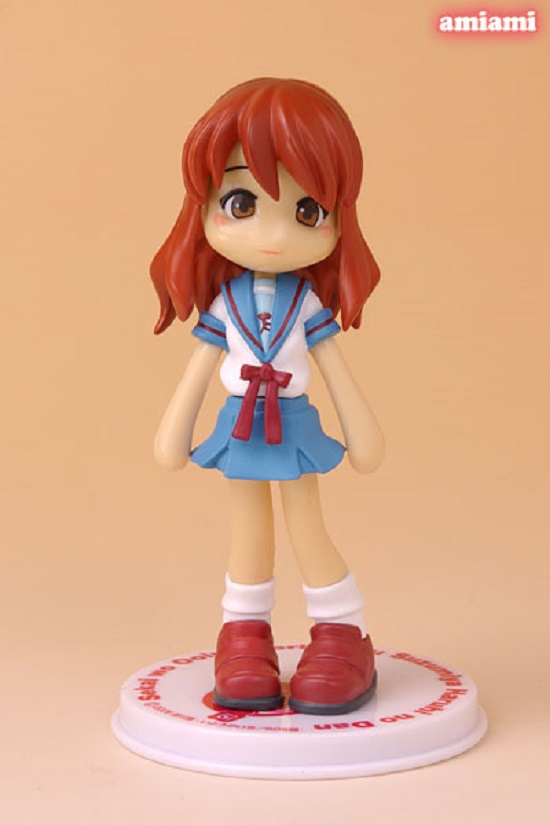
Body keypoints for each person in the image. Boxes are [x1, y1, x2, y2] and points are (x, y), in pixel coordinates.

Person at [151, 78, 384, 715]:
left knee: (307, 525)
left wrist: (361, 433)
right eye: (242, 202)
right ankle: (243, 634)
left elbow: (332, 365)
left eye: (307, 210)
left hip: (293, 423)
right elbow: (200, 368)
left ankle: (342, 632)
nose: (274, 235)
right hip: (239, 425)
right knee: (247, 529)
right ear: (203, 206)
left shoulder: (306, 304)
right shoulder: (224, 306)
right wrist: (174, 433)